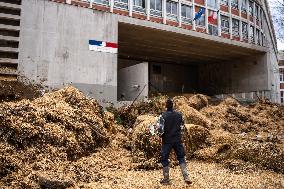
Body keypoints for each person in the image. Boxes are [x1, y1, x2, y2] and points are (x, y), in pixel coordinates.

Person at [158, 98, 192, 185]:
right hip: (178, 140)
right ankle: (186, 176)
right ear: (173, 105)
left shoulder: (162, 116)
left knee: (164, 158)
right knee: (181, 157)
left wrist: (159, 135)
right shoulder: (179, 115)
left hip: (167, 141)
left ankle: (166, 179)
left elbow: (160, 130)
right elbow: (182, 127)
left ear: (166, 106)